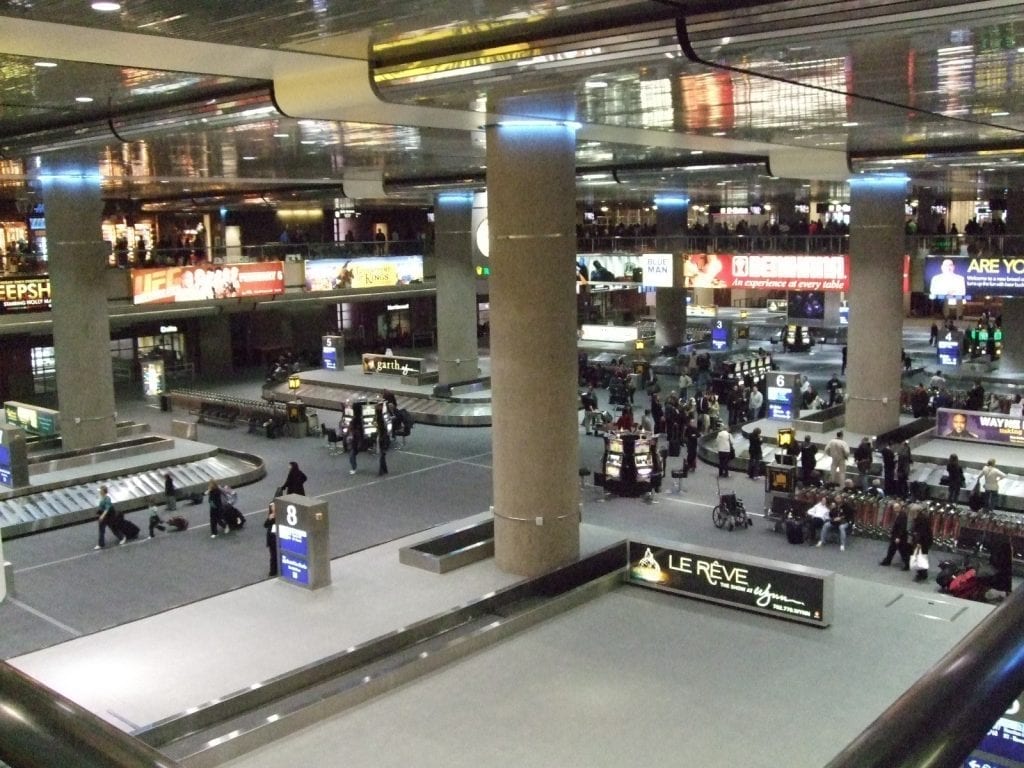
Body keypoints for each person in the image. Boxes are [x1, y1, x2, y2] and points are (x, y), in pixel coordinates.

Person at [880, 502, 911, 570]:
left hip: (900, 537)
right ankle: (887, 561)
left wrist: (898, 537)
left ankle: (907, 565)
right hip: (896, 536)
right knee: (891, 549)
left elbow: (902, 527)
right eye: (894, 508)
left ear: (900, 507)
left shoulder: (902, 515)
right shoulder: (898, 514)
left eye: (896, 508)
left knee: (903, 551)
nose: (895, 509)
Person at [95, 485, 127, 549]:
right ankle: (101, 544)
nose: (99, 492)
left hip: (109, 516)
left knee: (113, 528)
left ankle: (122, 537)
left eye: (100, 491)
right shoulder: (102, 497)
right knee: (101, 530)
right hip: (103, 515)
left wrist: (102, 516)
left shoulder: (107, 499)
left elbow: (107, 509)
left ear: (103, 492)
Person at [910, 507, 933, 582]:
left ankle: (922, 574)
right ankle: (922, 573)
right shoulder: (921, 517)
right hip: (923, 541)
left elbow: (922, 532)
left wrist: (919, 542)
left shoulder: (922, 518)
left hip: (923, 541)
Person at [348, 408, 364, 475]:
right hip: (354, 444)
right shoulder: (355, 430)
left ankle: (354, 468)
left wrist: (358, 446)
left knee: (351, 456)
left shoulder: (356, 432)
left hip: (355, 445)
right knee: (352, 456)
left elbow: (359, 439)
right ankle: (354, 468)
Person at [264, 503, 279, 577]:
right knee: (273, 556)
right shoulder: (271, 516)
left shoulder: (280, 514)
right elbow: (265, 525)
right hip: (272, 539)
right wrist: (270, 518)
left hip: (277, 537)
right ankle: (273, 571)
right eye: (272, 507)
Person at [376, 407, 390, 476]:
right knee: (382, 455)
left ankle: (381, 470)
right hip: (384, 440)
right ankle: (385, 469)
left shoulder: (379, 422)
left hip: (382, 440)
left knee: (381, 456)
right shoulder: (383, 420)